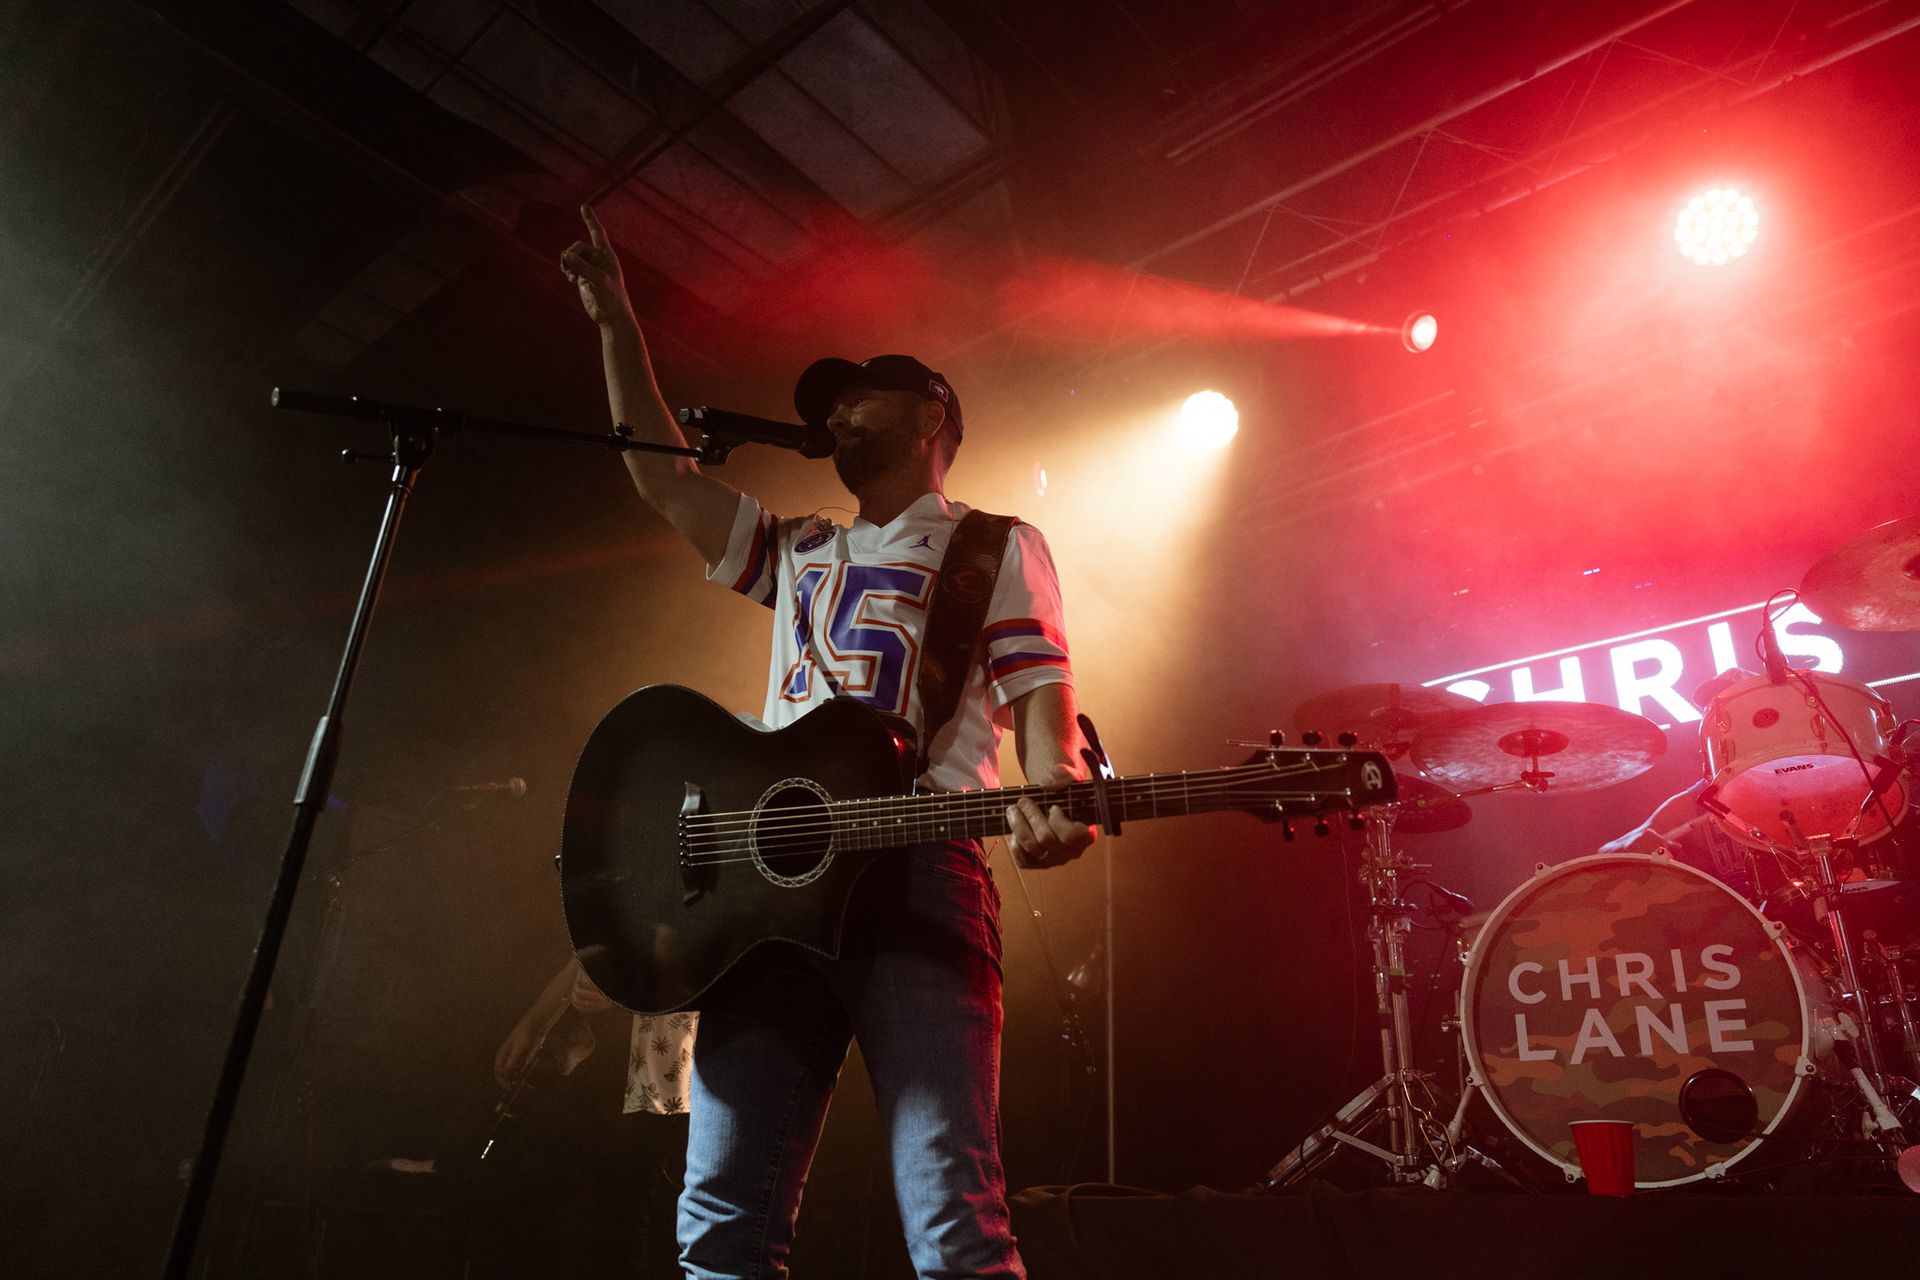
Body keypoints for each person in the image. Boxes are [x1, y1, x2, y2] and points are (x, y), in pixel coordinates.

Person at [559, 205, 1096, 1279]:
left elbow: (1044, 698)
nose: (839, 412)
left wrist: (1058, 793)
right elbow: (663, 480)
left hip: (919, 874)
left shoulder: (993, 541)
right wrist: (619, 326)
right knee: (720, 1222)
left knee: (952, 1218)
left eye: (860, 392)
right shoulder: (803, 547)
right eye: (832, 403)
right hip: (766, 888)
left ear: (932, 409)